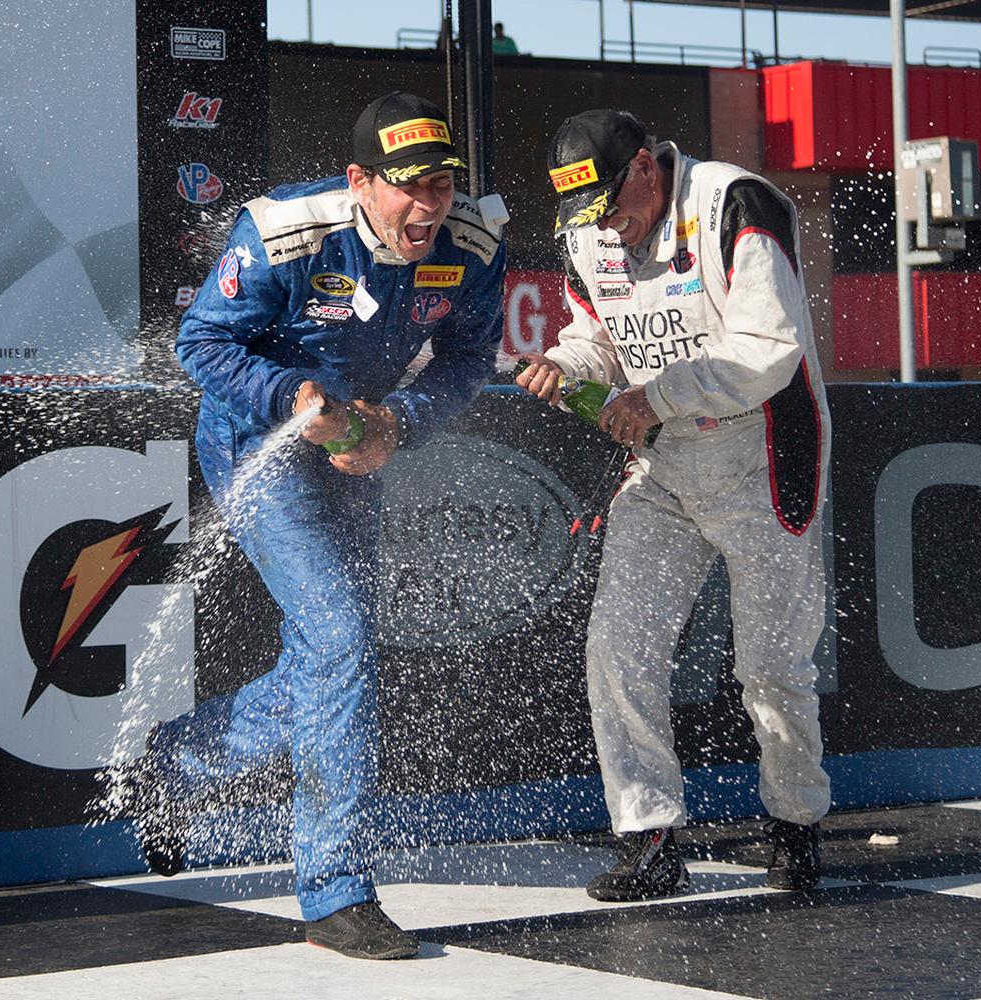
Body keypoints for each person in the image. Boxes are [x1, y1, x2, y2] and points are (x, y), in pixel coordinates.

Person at [145, 91, 506, 960]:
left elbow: (468, 361)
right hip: (255, 441)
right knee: (341, 637)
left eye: (445, 185)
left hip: (357, 443)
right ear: (360, 182)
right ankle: (335, 889)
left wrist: (399, 423)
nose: (431, 206)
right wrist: (291, 398)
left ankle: (181, 762)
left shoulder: (474, 244)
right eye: (412, 187)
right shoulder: (286, 229)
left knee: (328, 652)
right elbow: (198, 343)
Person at [518, 109, 831, 901]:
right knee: (617, 647)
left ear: (646, 171)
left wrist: (657, 396)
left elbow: (770, 349)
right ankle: (650, 839)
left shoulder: (736, 204)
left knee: (771, 667)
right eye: (588, 221)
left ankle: (795, 825)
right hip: (662, 465)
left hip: (762, 452)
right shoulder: (589, 231)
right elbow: (595, 339)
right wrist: (561, 364)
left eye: (612, 212)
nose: (606, 233)